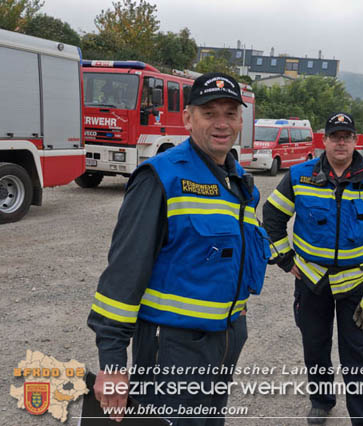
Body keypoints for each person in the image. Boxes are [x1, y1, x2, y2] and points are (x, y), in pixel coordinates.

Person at [87, 73, 270, 425]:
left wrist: (238, 311)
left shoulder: (238, 182)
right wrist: (112, 365)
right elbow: (123, 277)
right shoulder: (161, 178)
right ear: (188, 118)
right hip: (171, 349)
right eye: (209, 113)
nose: (221, 123)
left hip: (223, 343)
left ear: (241, 121)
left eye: (230, 113)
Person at [263, 112, 363, 425]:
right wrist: (286, 260)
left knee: (358, 354)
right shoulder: (300, 175)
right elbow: (273, 215)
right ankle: (321, 400)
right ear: (325, 140)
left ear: (356, 141)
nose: (341, 142)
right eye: (335, 136)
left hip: (356, 283)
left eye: (347, 136)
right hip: (311, 280)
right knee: (314, 345)